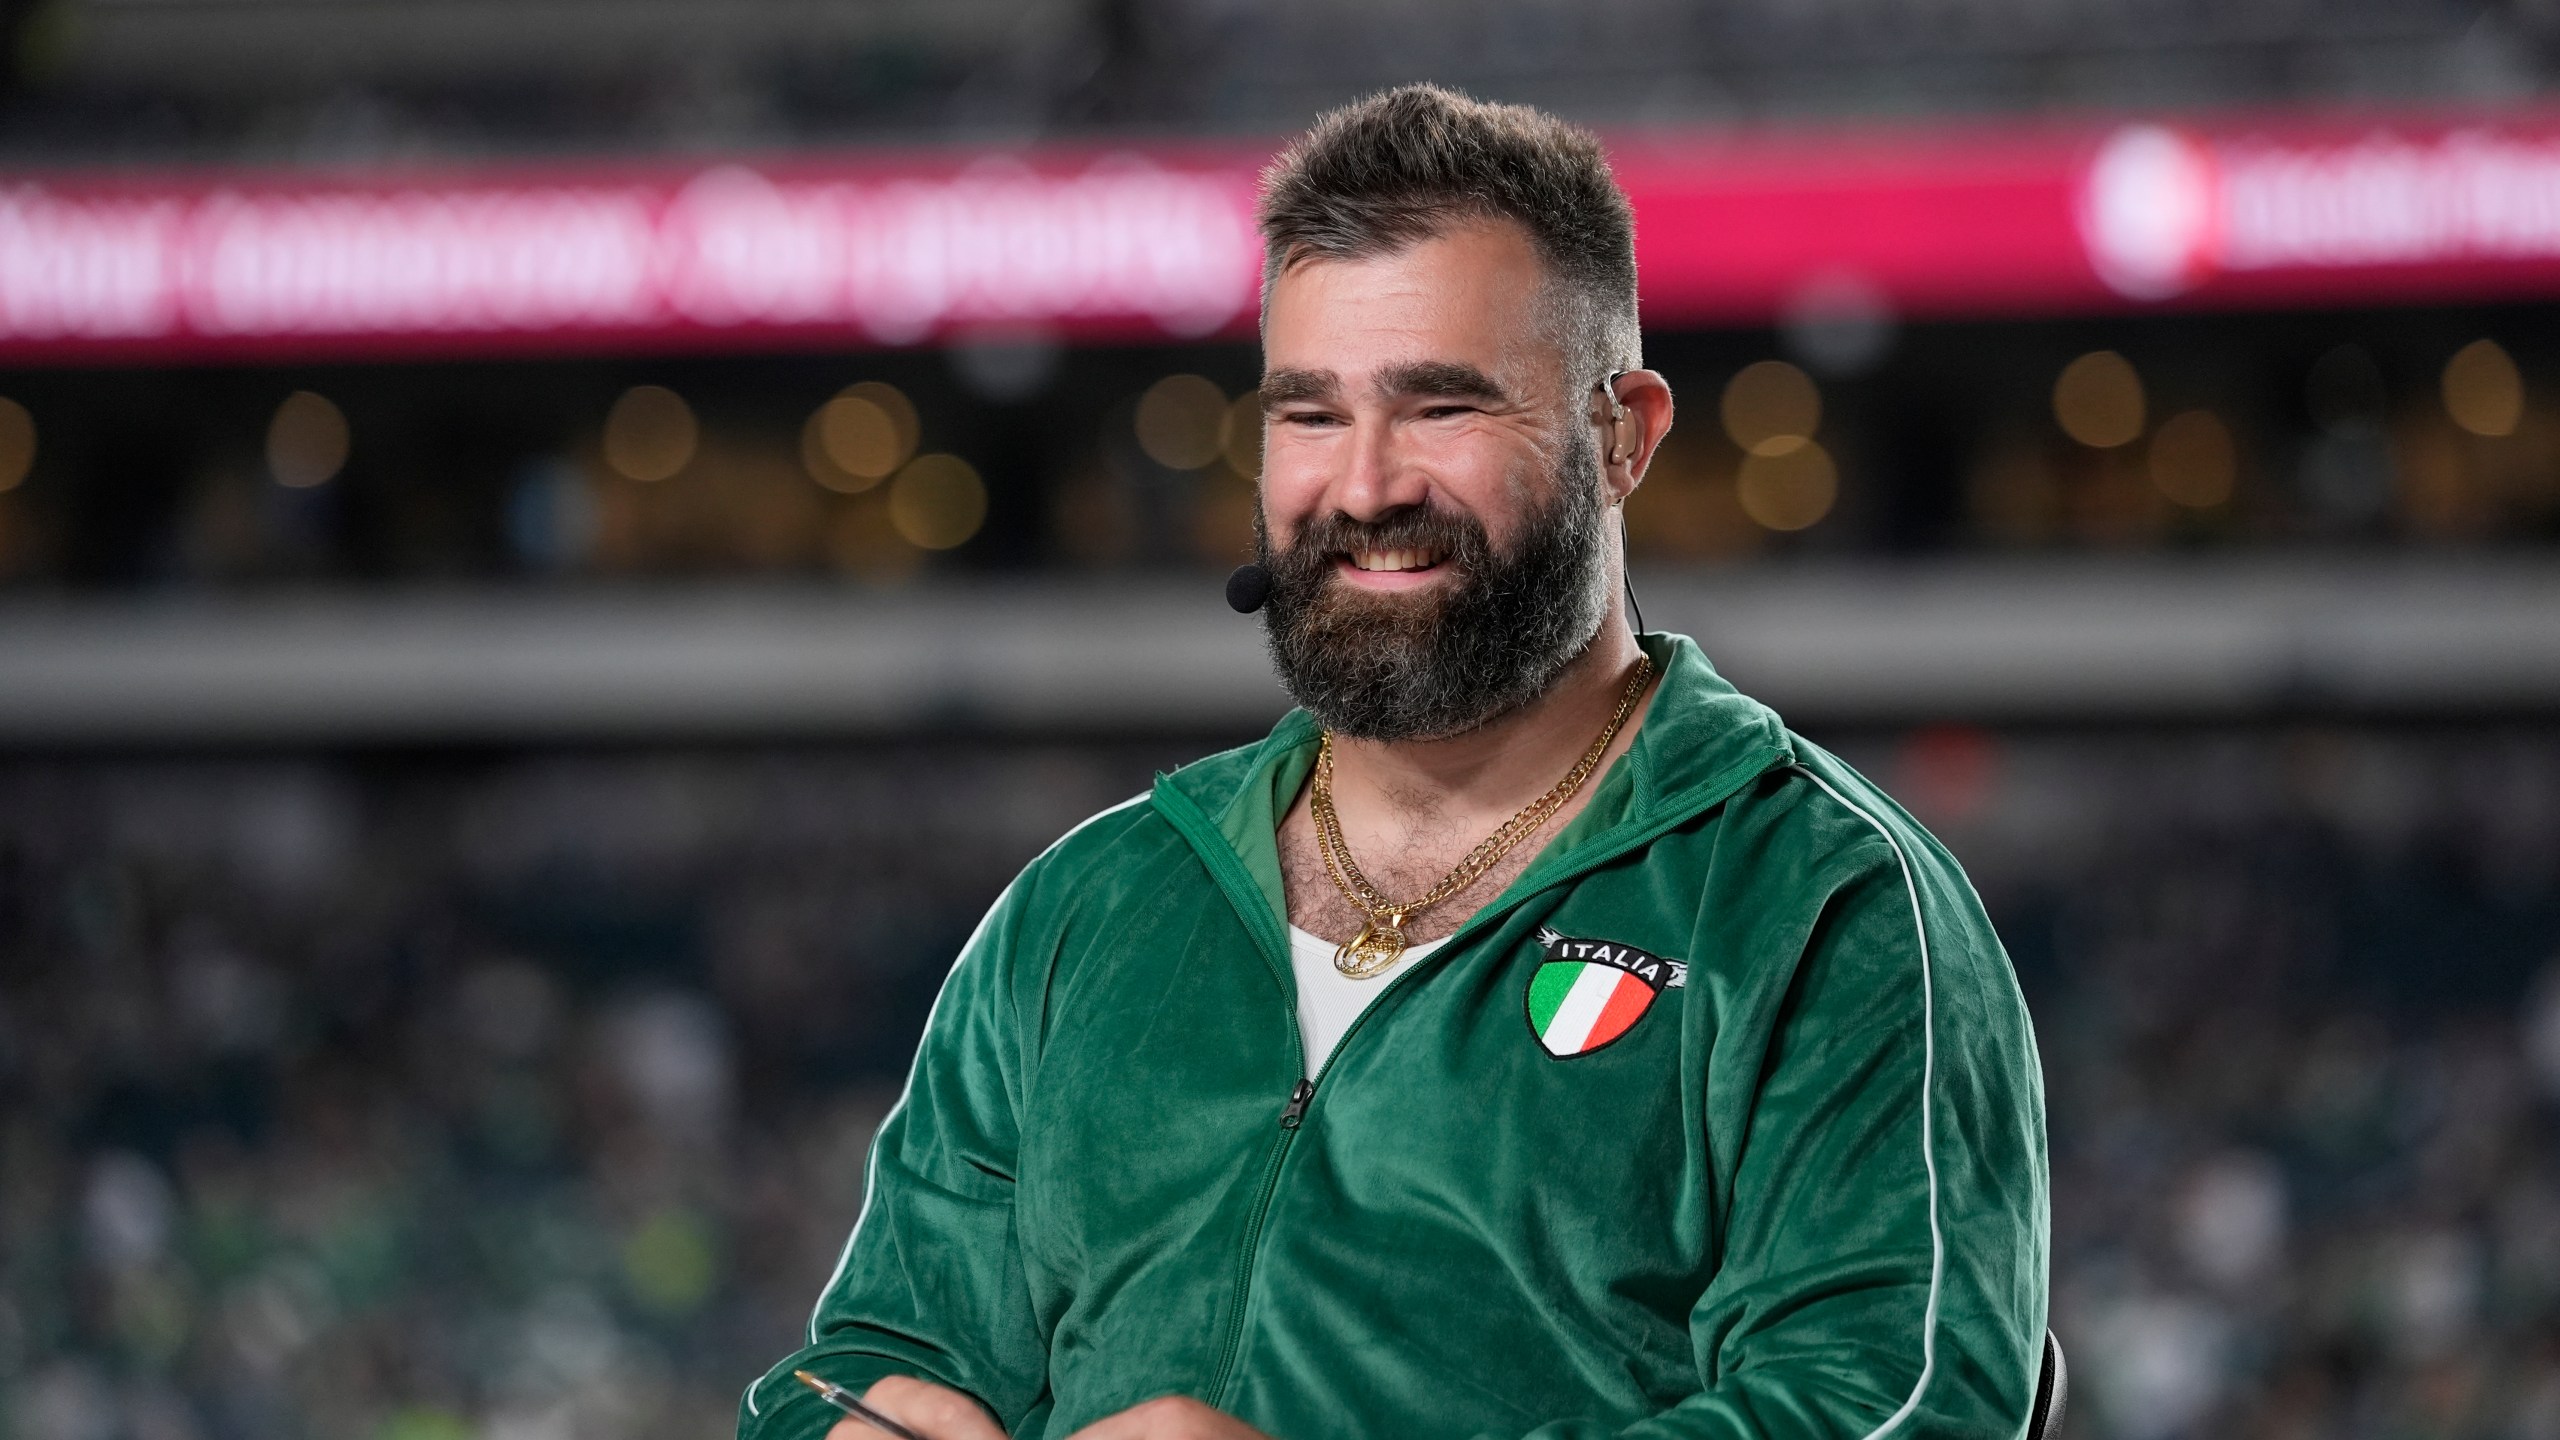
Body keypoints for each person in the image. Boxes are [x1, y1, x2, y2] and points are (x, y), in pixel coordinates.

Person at [739, 84, 2047, 1440]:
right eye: (1309, 416)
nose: (1365, 488)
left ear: (1624, 434)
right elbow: (858, 1365)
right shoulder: (1087, 907)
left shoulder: (1822, 900)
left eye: (1441, 407)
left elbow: (1889, 1408)